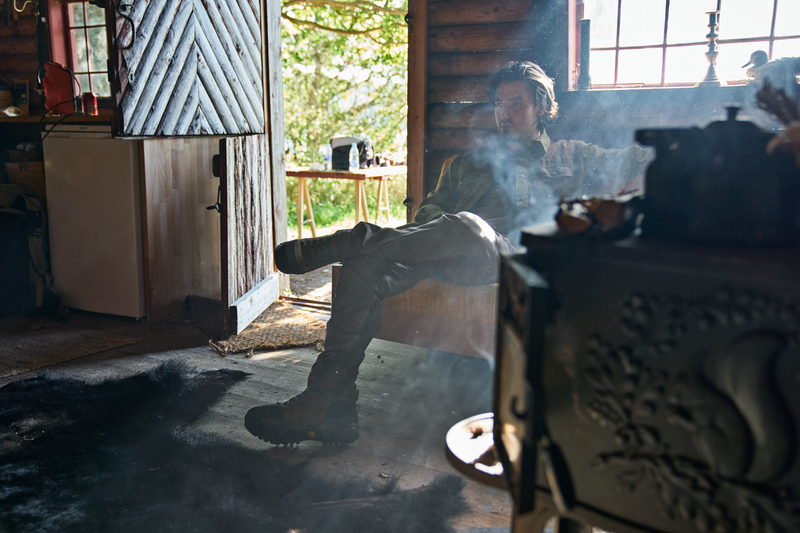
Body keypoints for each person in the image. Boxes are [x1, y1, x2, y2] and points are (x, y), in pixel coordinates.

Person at [244, 61, 653, 445]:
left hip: (511, 257)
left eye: (516, 103)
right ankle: (329, 405)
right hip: (444, 253)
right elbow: (429, 213)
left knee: (469, 226)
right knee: (362, 268)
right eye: (499, 103)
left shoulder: (573, 156)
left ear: (542, 108)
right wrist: (443, 225)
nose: (504, 113)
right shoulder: (468, 164)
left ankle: (350, 238)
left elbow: (641, 158)